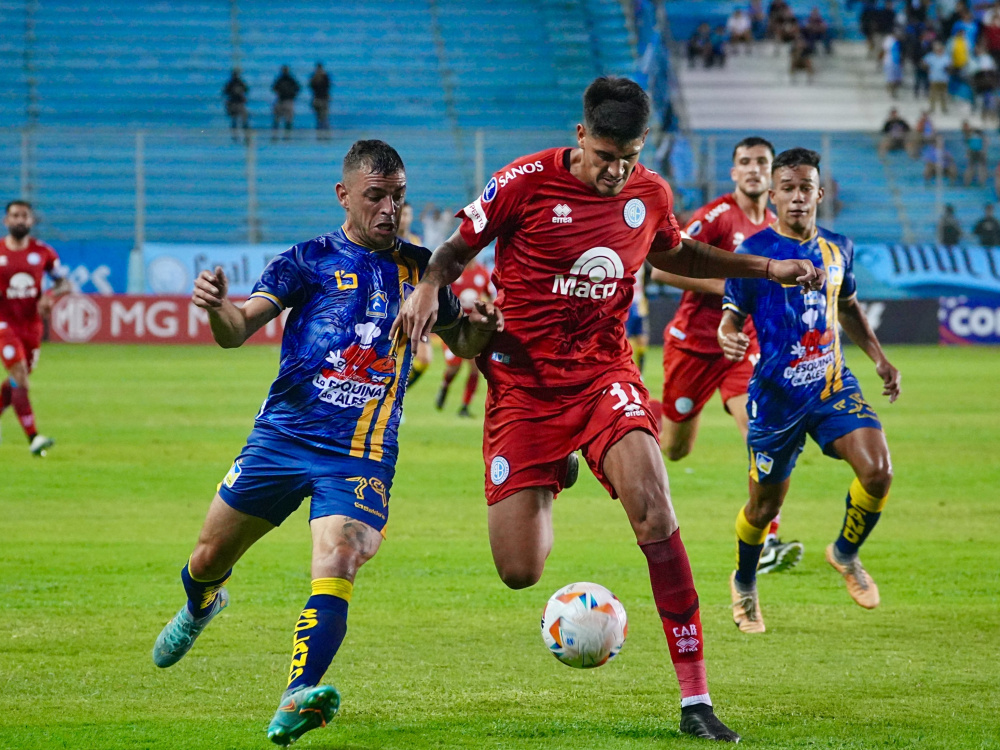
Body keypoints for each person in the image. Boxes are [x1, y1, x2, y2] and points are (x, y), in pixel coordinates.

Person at [393, 77, 824, 742]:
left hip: (604, 374)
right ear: (580, 136)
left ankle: (695, 700)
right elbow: (452, 251)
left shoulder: (649, 193)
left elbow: (675, 251)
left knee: (654, 504)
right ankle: (558, 468)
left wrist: (764, 270)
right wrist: (428, 290)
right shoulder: (523, 181)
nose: (615, 172)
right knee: (519, 571)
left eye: (628, 158)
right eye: (604, 157)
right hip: (524, 386)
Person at [150, 140, 503, 747]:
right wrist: (216, 308)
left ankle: (296, 695)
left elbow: (462, 343)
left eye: (398, 197)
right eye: (376, 196)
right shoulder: (306, 260)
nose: (390, 209)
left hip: (361, 451)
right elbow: (236, 332)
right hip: (282, 438)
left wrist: (480, 330)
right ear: (344, 195)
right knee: (208, 558)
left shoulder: (423, 272)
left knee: (339, 556)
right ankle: (202, 602)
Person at [719, 147, 900, 634]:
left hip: (832, 385)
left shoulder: (839, 247)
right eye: (788, 189)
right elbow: (731, 319)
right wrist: (727, 335)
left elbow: (848, 307)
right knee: (764, 507)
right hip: (777, 398)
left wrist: (879, 358)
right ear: (773, 194)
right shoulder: (752, 254)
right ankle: (744, 581)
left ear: (819, 193)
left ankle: (844, 552)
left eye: (806, 188)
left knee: (878, 472)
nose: (798, 198)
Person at [650, 136, 802, 574]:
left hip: (741, 345)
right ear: (734, 172)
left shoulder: (775, 226)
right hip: (694, 346)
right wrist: (733, 286)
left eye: (762, 162)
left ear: (772, 175)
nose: (754, 169)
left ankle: (766, 538)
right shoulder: (716, 217)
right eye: (745, 162)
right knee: (676, 449)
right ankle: (639, 415)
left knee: (761, 433)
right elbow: (661, 266)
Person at [0, 200, 70, 456]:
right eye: (15, 215)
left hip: (31, 327)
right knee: (19, 376)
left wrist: (49, 295)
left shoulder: (43, 253)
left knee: (17, 381)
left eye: (24, 216)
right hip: (4, 324)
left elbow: (65, 284)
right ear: (6, 221)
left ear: (31, 221)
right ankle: (34, 438)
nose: (19, 220)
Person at [436, 259, 493, 417]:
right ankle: (445, 385)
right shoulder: (455, 272)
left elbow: (490, 296)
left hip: (472, 328)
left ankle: (465, 406)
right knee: (455, 366)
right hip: (453, 326)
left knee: (475, 367)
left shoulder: (482, 273)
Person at [626, 262, 650, 375]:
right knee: (626, 341)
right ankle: (627, 372)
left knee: (643, 340)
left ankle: (640, 375)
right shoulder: (625, 258)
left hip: (640, 303)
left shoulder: (643, 262)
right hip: (627, 305)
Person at [271, 65, 301, 141]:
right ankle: (277, 136)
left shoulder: (289, 80)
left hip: (286, 101)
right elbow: (274, 88)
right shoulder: (281, 79)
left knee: (287, 120)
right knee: (278, 119)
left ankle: (286, 136)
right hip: (282, 101)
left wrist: (291, 95)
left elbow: (298, 88)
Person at [923, 40, 952, 113]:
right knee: (933, 95)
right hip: (934, 78)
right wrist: (927, 69)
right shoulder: (931, 56)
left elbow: (950, 66)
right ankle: (932, 108)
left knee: (943, 95)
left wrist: (948, 69)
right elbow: (923, 63)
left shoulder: (946, 57)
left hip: (943, 78)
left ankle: (944, 108)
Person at [222, 68, 250, 144]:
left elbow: (246, 90)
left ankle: (244, 137)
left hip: (238, 104)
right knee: (236, 121)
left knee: (242, 121)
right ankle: (236, 137)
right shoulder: (232, 83)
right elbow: (225, 92)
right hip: (234, 104)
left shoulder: (237, 83)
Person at [309, 62, 332, 138]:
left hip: (317, 99)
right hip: (322, 99)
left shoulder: (314, 77)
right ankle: (324, 135)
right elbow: (328, 87)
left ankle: (321, 135)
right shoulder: (325, 77)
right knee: (323, 118)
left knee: (320, 118)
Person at [962, 120, 988, 186]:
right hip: (972, 153)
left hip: (980, 152)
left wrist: (983, 150)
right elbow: (967, 143)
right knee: (970, 168)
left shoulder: (980, 133)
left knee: (981, 168)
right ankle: (967, 183)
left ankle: (982, 183)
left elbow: (985, 142)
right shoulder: (967, 134)